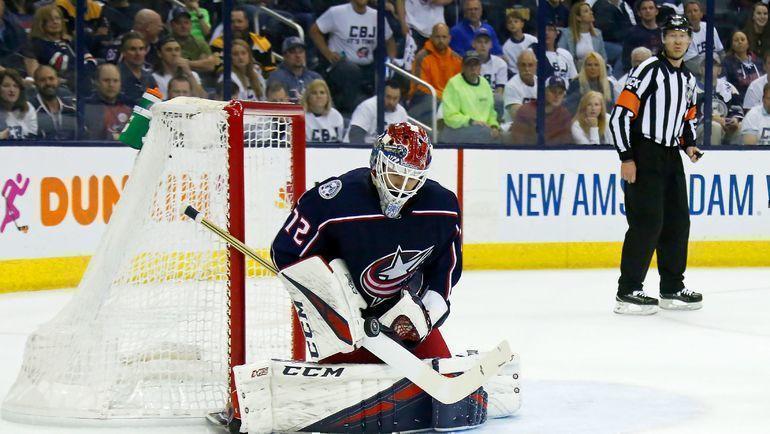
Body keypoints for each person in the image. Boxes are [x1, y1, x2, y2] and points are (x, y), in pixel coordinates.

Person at [271, 121, 461, 365]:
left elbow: (445, 270)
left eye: (411, 178)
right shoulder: (335, 200)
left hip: (401, 317)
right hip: (347, 326)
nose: (402, 186)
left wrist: (426, 315)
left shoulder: (442, 209)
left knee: (442, 372)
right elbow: (285, 253)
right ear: (376, 162)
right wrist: (332, 301)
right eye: (395, 172)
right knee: (336, 393)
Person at [609, 14, 703, 315]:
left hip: (670, 156)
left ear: (689, 40)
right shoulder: (649, 69)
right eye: (672, 34)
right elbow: (620, 115)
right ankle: (628, 291)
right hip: (644, 152)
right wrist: (627, 157)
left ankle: (672, 286)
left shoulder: (688, 79)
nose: (678, 40)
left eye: (683, 35)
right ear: (663, 38)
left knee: (678, 222)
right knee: (647, 222)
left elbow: (687, 118)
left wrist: (688, 144)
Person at [310, 0, 397, 115]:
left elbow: (390, 42)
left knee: (384, 74)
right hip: (340, 66)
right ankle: (351, 113)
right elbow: (314, 31)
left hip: (367, 67)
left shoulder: (377, 15)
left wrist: (391, 62)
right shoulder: (336, 12)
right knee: (351, 71)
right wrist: (328, 53)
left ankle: (382, 117)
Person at [441, 50, 500, 143]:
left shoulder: (484, 83)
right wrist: (471, 121)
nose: (473, 68)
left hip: (483, 129)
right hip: (459, 129)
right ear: (463, 67)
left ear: (480, 67)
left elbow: (491, 112)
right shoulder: (454, 84)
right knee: (484, 134)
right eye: (469, 65)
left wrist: (494, 126)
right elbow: (450, 117)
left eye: (476, 65)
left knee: (501, 136)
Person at [409, 23, 462, 124]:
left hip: (447, 100)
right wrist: (445, 97)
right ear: (431, 37)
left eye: (444, 37)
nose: (441, 40)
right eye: (437, 37)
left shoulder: (457, 59)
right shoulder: (422, 56)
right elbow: (420, 87)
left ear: (449, 38)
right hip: (424, 99)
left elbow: (460, 86)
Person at [509, 75, 571, 145]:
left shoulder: (564, 115)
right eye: (553, 91)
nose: (557, 96)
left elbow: (566, 144)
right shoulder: (526, 111)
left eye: (560, 92)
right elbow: (518, 144)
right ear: (544, 91)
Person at [696, 53, 743, 145]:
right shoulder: (692, 87)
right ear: (700, 69)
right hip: (700, 128)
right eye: (706, 64)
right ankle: (710, 158)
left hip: (725, 126)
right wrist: (711, 118)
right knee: (714, 126)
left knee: (741, 127)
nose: (710, 67)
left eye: (714, 64)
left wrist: (734, 119)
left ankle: (737, 159)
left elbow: (737, 109)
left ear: (719, 70)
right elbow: (689, 115)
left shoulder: (728, 87)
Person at [210, 7, 275, 73]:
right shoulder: (218, 44)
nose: (236, 25)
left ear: (247, 23)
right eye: (232, 22)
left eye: (240, 21)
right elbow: (217, 70)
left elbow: (271, 71)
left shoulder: (262, 43)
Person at [265, 37, 321, 104]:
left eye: (301, 51)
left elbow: (328, 104)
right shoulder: (276, 77)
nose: (298, 55)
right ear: (285, 55)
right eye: (293, 52)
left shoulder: (315, 77)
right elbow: (274, 105)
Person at [84, 63, 131, 140]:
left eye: (115, 81)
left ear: (120, 83)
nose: (111, 85)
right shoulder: (87, 107)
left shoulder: (130, 106)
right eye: (106, 80)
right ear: (97, 82)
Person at [168, 7, 220, 74]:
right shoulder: (166, 43)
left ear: (191, 24)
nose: (183, 26)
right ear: (172, 25)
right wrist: (200, 63)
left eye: (186, 23)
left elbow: (211, 66)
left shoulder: (200, 42)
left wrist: (186, 63)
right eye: (179, 23)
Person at [592, 0, 636, 75]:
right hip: (603, 42)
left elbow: (632, 23)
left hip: (622, 40)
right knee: (623, 52)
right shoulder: (601, 5)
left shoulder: (624, 4)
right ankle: (616, 80)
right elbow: (606, 30)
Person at [31, 65, 75, 139]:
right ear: (36, 83)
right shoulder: (30, 110)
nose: (48, 83)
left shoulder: (72, 108)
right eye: (42, 80)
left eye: (51, 79)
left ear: (58, 80)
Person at [558, 1, 607, 67]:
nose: (591, 13)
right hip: (575, 71)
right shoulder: (567, 34)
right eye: (586, 11)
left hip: (595, 71)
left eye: (590, 10)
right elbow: (561, 54)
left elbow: (603, 57)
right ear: (578, 17)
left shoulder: (597, 33)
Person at [682, 0, 724, 76]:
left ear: (701, 14)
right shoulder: (684, 34)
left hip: (717, 71)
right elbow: (691, 64)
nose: (693, 14)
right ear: (685, 16)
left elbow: (721, 53)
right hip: (698, 75)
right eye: (689, 12)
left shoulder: (709, 27)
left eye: (695, 10)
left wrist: (720, 69)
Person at [723, 31, 764, 104]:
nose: (740, 42)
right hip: (739, 104)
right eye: (736, 40)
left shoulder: (759, 62)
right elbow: (727, 87)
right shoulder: (727, 63)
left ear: (748, 43)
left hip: (761, 102)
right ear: (732, 45)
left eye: (742, 39)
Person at [118, 32, 157, 106]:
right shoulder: (115, 76)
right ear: (123, 52)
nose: (138, 53)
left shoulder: (149, 78)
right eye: (133, 49)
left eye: (141, 49)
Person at [621, 0, 660, 73]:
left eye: (651, 8)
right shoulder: (632, 33)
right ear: (639, 13)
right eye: (644, 9)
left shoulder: (664, 32)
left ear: (656, 11)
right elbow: (627, 61)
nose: (648, 11)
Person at [303, 79, 344, 143]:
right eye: (314, 93)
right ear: (308, 97)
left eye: (322, 93)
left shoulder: (336, 116)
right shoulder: (299, 118)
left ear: (327, 97)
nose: (319, 96)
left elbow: (339, 144)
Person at [502, 50, 537, 123]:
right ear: (517, 66)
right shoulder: (511, 86)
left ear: (535, 66)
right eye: (523, 65)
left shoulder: (541, 84)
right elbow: (518, 116)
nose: (527, 69)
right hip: (514, 127)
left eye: (530, 65)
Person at [0, 69, 36, 139]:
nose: (12, 90)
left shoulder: (28, 107)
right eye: (6, 86)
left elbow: (32, 138)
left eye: (16, 86)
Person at [501, 7, 537, 76]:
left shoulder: (532, 40)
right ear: (507, 26)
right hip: (517, 76)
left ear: (522, 24)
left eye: (516, 21)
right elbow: (511, 68)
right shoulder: (506, 47)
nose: (513, 24)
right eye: (510, 22)